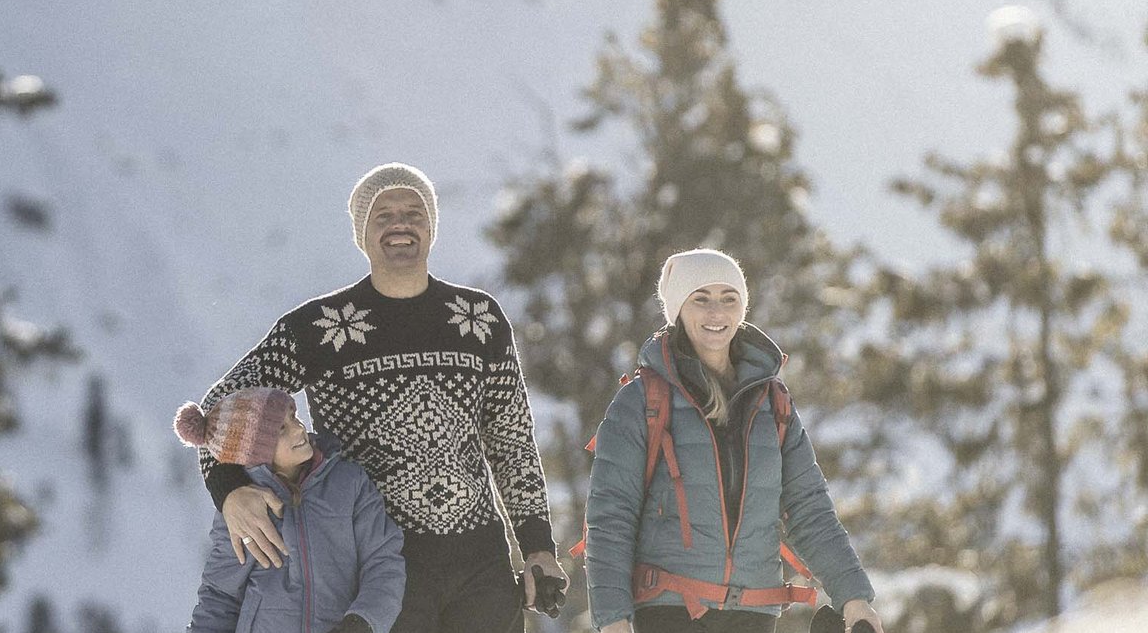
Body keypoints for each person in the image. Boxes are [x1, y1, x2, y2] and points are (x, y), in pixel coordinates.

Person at [196, 163, 563, 633]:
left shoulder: (478, 319)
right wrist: (229, 491)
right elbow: (217, 412)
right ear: (361, 235)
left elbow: (511, 442)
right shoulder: (320, 328)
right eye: (382, 215)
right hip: (378, 569)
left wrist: (537, 548)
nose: (400, 224)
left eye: (413, 211)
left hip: (481, 567)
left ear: (431, 227)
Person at [583, 249, 885, 633]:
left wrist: (853, 597)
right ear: (678, 309)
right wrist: (613, 620)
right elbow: (611, 518)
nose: (716, 313)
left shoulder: (773, 402)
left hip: (753, 613)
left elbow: (808, 508)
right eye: (701, 299)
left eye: (729, 299)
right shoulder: (641, 402)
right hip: (669, 611)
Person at [177, 387, 405, 633]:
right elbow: (220, 595)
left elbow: (383, 561)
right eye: (281, 429)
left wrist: (362, 623)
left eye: (294, 417)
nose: (299, 429)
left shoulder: (349, 483)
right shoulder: (242, 509)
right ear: (255, 450)